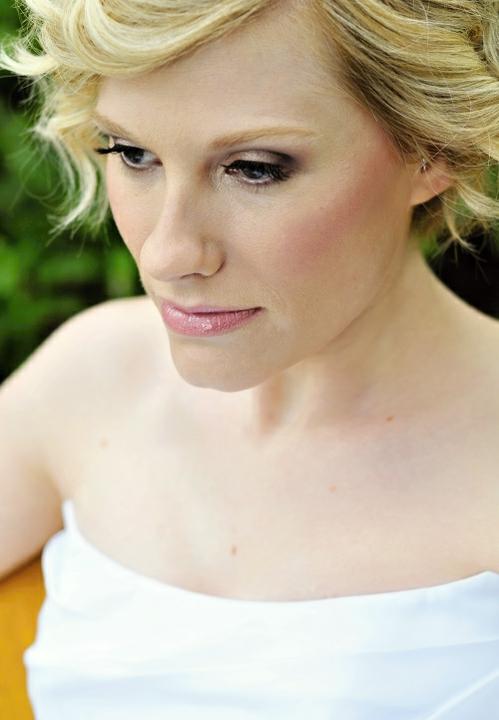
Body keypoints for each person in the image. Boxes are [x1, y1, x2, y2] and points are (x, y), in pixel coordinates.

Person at [1, 0, 499, 717]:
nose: (169, 252)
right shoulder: (94, 377)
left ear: (433, 150)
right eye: (132, 154)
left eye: (254, 169)